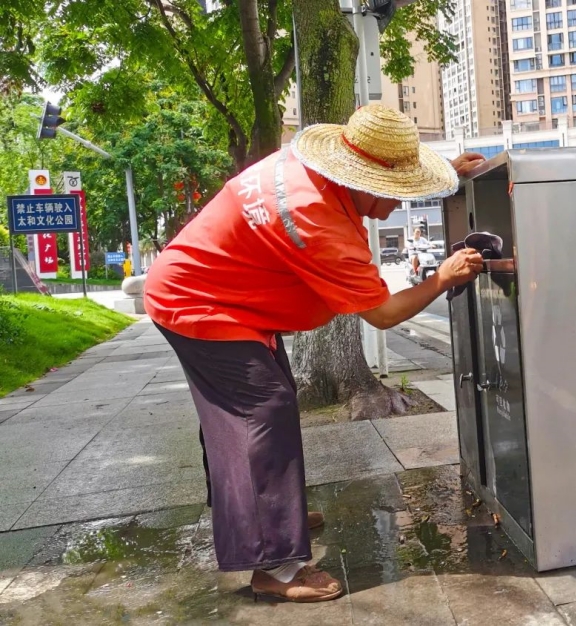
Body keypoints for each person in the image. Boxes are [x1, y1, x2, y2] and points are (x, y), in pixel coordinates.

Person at [143, 104, 485, 603]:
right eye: (397, 192)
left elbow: (384, 177)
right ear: (363, 181)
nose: (398, 203)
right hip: (199, 302)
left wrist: (443, 176)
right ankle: (275, 566)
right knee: (260, 414)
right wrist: (443, 277)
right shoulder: (318, 221)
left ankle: (268, 516)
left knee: (248, 417)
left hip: (221, 294)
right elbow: (384, 314)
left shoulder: (310, 170)